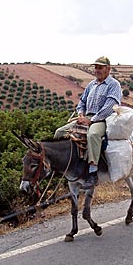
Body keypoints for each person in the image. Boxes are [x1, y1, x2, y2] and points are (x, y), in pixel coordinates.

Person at [54, 56, 122, 188]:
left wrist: (91, 120)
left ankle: (93, 172)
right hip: (86, 117)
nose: (97, 70)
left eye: (100, 67)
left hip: (102, 119)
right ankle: (67, 166)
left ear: (108, 69)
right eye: (95, 67)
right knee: (59, 132)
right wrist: (80, 113)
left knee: (93, 135)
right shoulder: (92, 84)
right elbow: (82, 102)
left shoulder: (114, 85)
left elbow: (109, 107)